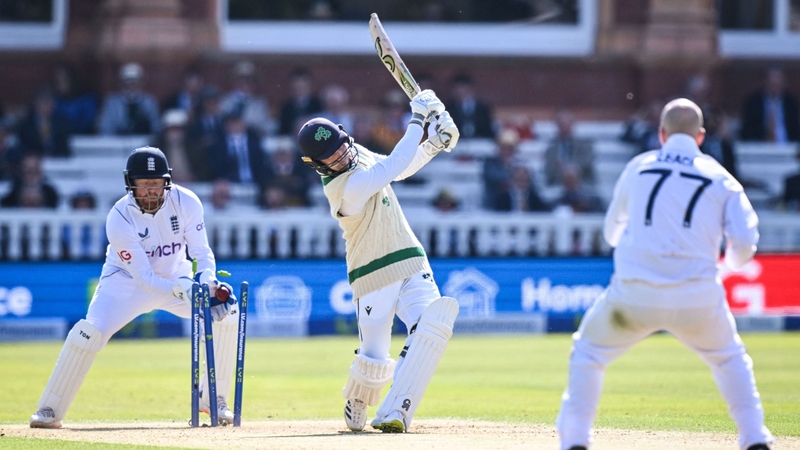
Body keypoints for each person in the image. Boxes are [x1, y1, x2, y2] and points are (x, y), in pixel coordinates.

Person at [556, 98, 773, 450]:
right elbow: (746, 243)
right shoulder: (723, 179)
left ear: (661, 133)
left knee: (589, 353)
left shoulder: (639, 167)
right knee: (730, 360)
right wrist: (727, 265)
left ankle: (576, 441)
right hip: (698, 297)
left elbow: (611, 233)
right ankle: (754, 438)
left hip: (634, 295)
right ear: (701, 136)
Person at [29, 147, 239, 428]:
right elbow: (143, 278)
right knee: (89, 333)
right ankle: (49, 410)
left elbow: (202, 254)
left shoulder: (187, 202)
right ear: (131, 184)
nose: (151, 192)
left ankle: (213, 399)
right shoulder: (119, 217)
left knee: (226, 313)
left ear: (167, 182)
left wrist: (207, 282)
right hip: (124, 283)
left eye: (156, 185)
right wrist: (184, 290)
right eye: (144, 185)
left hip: (177, 276)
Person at [296, 89, 460, 433]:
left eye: (342, 146)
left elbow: (398, 169)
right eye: (332, 156)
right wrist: (418, 118)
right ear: (317, 166)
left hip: (411, 258)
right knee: (374, 359)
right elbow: (393, 165)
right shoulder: (344, 187)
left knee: (433, 327)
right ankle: (358, 399)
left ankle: (394, 412)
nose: (342, 155)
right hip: (373, 272)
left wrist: (433, 144)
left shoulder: (359, 157)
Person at [739, 67, 800, 143]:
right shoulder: (753, 103)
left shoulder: (791, 103)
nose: (774, 86)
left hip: (787, 147)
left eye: (777, 84)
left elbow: (796, 130)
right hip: (759, 148)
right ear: (765, 82)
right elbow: (747, 131)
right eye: (772, 84)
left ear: (783, 83)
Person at [98, 63, 160, 136]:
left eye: (134, 83)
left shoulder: (149, 102)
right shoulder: (112, 102)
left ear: (141, 83)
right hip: (116, 143)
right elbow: (105, 128)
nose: (131, 86)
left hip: (144, 142)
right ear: (121, 83)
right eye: (127, 83)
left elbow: (156, 128)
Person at [220, 60, 273, 137]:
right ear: (235, 81)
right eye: (242, 79)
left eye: (249, 80)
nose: (245, 83)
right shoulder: (225, 101)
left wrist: (247, 126)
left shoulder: (260, 103)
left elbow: (266, 126)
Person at [544, 109, 596, 187]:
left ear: (572, 124)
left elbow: (586, 162)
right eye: (561, 123)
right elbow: (549, 169)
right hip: (558, 185)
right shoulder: (551, 148)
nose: (563, 126)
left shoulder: (585, 145)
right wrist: (563, 173)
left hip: (582, 184)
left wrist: (570, 169)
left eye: (566, 123)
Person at [17, 86, 72, 157]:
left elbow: (65, 150)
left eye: (50, 103)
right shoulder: (25, 126)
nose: (46, 107)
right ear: (36, 103)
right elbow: (24, 150)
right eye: (43, 103)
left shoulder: (61, 124)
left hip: (57, 163)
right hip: (34, 164)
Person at [447, 72, 495, 139]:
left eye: (463, 89)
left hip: (480, 141)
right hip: (458, 142)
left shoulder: (483, 108)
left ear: (471, 89)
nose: (460, 92)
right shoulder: (449, 108)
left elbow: (488, 129)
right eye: (458, 89)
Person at [278, 68, 323, 136]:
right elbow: (283, 130)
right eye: (297, 88)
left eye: (303, 88)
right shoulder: (286, 107)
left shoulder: (318, 104)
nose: (300, 91)